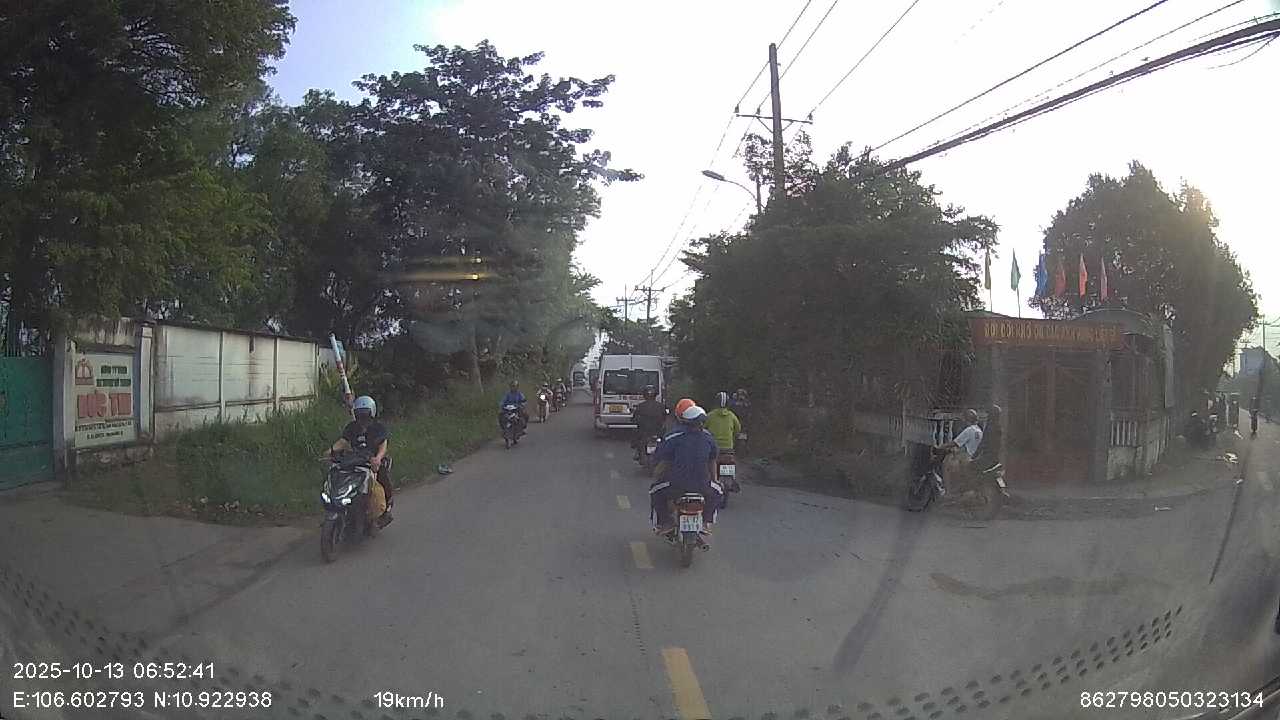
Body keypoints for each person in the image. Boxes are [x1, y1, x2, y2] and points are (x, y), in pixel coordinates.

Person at [649, 402, 723, 538]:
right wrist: (714, 480)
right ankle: (706, 521)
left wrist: (657, 475)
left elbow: (664, 461)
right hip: (703, 486)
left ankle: (666, 522)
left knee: (655, 491)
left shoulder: (674, 437)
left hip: (676, 486)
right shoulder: (708, 438)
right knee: (718, 491)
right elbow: (712, 461)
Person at [329, 395, 393, 528]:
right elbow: (343, 442)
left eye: (365, 414)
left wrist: (378, 458)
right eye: (359, 415)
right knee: (337, 475)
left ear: (372, 413)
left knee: (382, 476)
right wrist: (330, 451)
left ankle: (386, 509)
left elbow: (383, 444)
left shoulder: (378, 428)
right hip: (354, 461)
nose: (362, 418)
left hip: (372, 461)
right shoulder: (352, 427)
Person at [934, 409, 983, 496]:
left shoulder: (969, 430)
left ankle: (948, 491)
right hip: (972, 456)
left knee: (946, 465)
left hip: (965, 458)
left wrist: (940, 447)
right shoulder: (979, 431)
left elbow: (954, 443)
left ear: (966, 419)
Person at [630, 385, 668, 461]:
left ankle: (637, 450)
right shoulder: (661, 406)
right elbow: (664, 417)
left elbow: (634, 418)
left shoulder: (640, 406)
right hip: (657, 431)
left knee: (636, 434)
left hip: (645, 431)